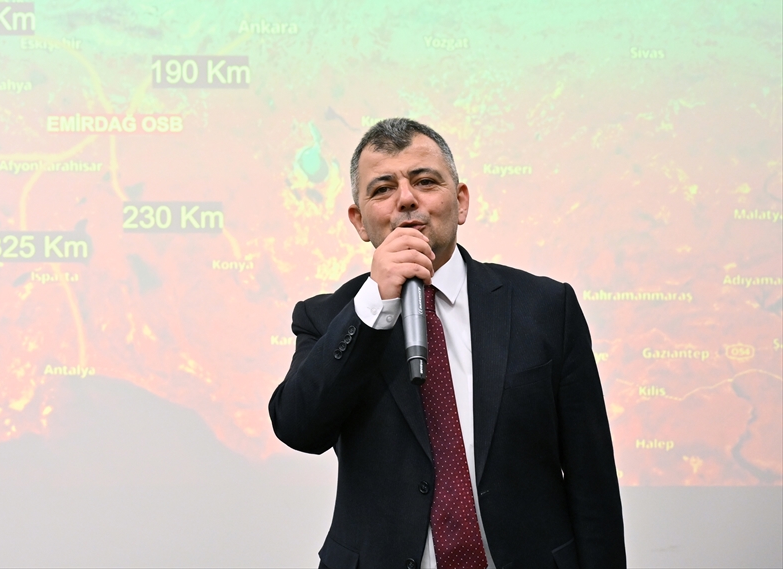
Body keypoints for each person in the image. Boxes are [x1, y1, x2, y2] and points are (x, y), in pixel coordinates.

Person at [268, 118, 625, 569]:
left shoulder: (546, 308)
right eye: (383, 189)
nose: (406, 199)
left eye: (424, 181)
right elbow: (299, 428)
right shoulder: (329, 318)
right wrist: (374, 304)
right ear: (359, 221)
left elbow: (592, 481)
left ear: (461, 202)